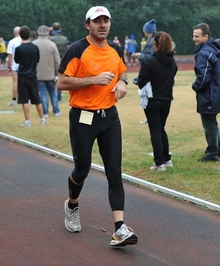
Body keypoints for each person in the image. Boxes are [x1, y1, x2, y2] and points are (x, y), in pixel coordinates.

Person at [56, 6, 138, 247]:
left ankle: (120, 229)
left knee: (114, 171)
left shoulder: (116, 48)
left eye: (106, 21)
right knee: (82, 169)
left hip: (109, 117)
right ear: (87, 25)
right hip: (83, 117)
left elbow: (121, 72)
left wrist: (122, 83)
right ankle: (72, 204)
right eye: (97, 21)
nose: (102, 25)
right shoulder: (77, 49)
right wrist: (92, 79)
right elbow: (61, 82)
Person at [192, 23, 220, 162]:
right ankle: (219, 148)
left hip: (210, 94)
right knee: (212, 121)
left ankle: (212, 153)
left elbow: (204, 76)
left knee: (208, 123)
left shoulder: (204, 53)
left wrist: (195, 86)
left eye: (197, 36)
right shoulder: (219, 50)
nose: (194, 38)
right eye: (193, 35)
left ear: (206, 36)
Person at [137, 31, 178, 171]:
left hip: (152, 100)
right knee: (161, 129)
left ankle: (159, 162)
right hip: (167, 100)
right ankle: (166, 159)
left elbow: (141, 80)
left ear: (155, 44)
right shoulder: (173, 63)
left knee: (155, 131)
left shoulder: (149, 62)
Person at [14, 25, 45, 127]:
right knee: (37, 98)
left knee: (24, 99)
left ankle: (27, 121)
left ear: (20, 35)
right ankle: (42, 119)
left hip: (23, 76)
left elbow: (17, 61)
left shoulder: (19, 49)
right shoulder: (35, 47)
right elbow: (37, 61)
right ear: (29, 35)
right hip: (33, 75)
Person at [132, 19, 157, 124]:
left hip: (150, 72)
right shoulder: (151, 40)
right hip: (149, 71)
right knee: (147, 95)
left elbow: (150, 57)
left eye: (144, 30)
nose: (144, 32)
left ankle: (151, 118)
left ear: (148, 31)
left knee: (149, 95)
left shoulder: (153, 41)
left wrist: (140, 56)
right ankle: (150, 118)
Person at [33, 25, 61, 117]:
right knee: (52, 92)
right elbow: (57, 61)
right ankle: (56, 111)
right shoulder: (52, 44)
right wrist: (57, 73)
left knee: (42, 92)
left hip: (38, 73)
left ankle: (45, 112)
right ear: (47, 33)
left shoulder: (34, 44)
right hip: (50, 73)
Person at [49, 22, 69, 104]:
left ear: (53, 29)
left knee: (51, 80)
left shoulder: (50, 40)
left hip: (52, 62)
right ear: (60, 29)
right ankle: (59, 98)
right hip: (62, 61)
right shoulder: (65, 39)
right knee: (60, 79)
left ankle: (53, 98)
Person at [7, 26, 22, 106]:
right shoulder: (25, 40)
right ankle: (27, 98)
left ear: (14, 33)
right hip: (24, 64)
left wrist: (9, 66)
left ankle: (14, 99)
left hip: (15, 65)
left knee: (15, 82)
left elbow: (10, 56)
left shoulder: (11, 42)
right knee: (25, 82)